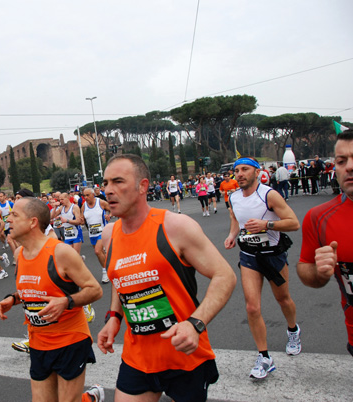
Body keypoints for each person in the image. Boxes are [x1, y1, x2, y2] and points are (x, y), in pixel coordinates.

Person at [97, 154, 236, 401]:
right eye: (105, 183)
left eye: (118, 181)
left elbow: (224, 275)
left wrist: (195, 324)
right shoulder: (109, 235)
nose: (108, 190)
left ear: (143, 186)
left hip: (184, 355)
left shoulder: (175, 227)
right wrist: (114, 316)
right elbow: (122, 280)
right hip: (138, 358)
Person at [0, 197, 103, 402]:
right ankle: (90, 398)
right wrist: (13, 298)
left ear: (32, 222)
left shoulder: (60, 252)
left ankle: (90, 397)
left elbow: (95, 290)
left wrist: (66, 302)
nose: (8, 219)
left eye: (14, 215)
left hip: (70, 341)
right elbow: (36, 290)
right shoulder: (19, 254)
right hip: (39, 343)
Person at [224, 157, 301, 380]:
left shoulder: (269, 195)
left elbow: (293, 222)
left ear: (257, 172)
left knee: (283, 299)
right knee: (252, 307)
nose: (239, 174)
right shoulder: (233, 196)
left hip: (273, 255)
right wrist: (232, 235)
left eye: (245, 169)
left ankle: (293, 330)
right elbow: (235, 219)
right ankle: (264, 357)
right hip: (249, 256)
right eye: (236, 170)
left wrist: (266, 225)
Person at [297, 131, 353, 356]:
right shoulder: (318, 217)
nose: (349, 167)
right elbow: (305, 269)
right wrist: (320, 272)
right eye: (341, 161)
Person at [81, 187, 111, 283]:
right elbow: (82, 220)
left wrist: (109, 215)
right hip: (92, 233)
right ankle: (110, 268)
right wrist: (80, 221)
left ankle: (105, 272)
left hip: (102, 231)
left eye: (87, 195)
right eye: (84, 195)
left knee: (98, 251)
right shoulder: (84, 206)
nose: (85, 197)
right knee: (100, 253)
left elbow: (112, 209)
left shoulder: (100, 202)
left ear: (93, 195)